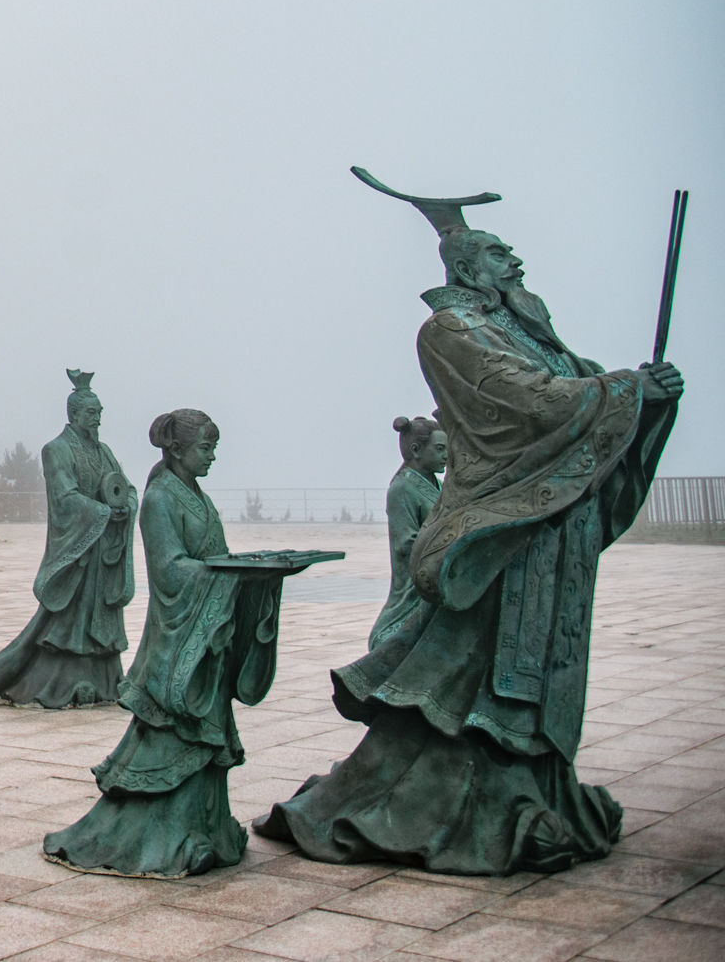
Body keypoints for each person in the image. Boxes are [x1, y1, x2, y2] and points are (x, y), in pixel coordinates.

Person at [257, 175, 683, 874]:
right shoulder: (451, 330)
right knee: (469, 670)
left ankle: (536, 793)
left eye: (511, 251)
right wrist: (624, 391)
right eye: (497, 251)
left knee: (540, 660)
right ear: (465, 267)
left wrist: (642, 389)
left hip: (553, 527)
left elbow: (577, 380)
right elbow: (525, 401)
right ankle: (462, 803)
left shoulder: (525, 326)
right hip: (499, 525)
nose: (514, 258)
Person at [43, 409, 289, 878]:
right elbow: (171, 572)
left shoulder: (196, 495)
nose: (213, 457)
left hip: (208, 639)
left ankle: (206, 827)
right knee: (173, 732)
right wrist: (229, 574)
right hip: (179, 641)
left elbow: (208, 558)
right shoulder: (159, 499)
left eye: (214, 448)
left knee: (207, 735)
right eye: (205, 448)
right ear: (176, 449)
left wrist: (251, 573)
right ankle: (161, 834)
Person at [0, 369, 136, 708]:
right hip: (79, 551)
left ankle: (105, 680)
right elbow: (65, 498)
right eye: (92, 412)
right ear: (74, 414)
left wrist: (125, 507)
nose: (98, 417)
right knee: (70, 619)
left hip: (103, 551)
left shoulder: (105, 452)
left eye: (100, 411)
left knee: (100, 616)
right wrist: (103, 512)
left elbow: (126, 488)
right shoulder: (56, 450)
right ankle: (64, 681)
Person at [367, 415, 446, 649]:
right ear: (416, 449)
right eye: (440, 449)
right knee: (394, 640)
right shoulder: (402, 489)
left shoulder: (437, 484)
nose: (447, 456)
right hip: (417, 580)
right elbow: (406, 543)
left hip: (440, 569)